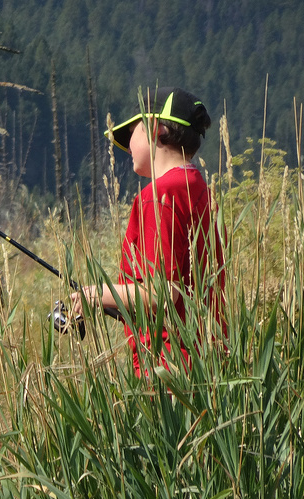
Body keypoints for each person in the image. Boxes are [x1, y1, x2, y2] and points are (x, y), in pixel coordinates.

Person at [71, 87, 226, 376]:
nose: (127, 145)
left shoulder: (159, 195)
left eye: (133, 132)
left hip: (171, 373)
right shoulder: (200, 192)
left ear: (155, 128)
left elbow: (163, 293)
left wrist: (96, 295)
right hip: (210, 362)